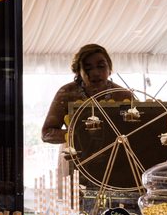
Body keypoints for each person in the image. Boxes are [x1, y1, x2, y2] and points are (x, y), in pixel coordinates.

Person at [41, 44, 130, 176]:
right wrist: (73, 135)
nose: (95, 73)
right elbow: (47, 133)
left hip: (115, 164)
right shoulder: (66, 93)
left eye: (101, 66)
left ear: (110, 69)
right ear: (78, 72)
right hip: (76, 164)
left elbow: (133, 132)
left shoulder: (123, 95)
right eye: (87, 68)